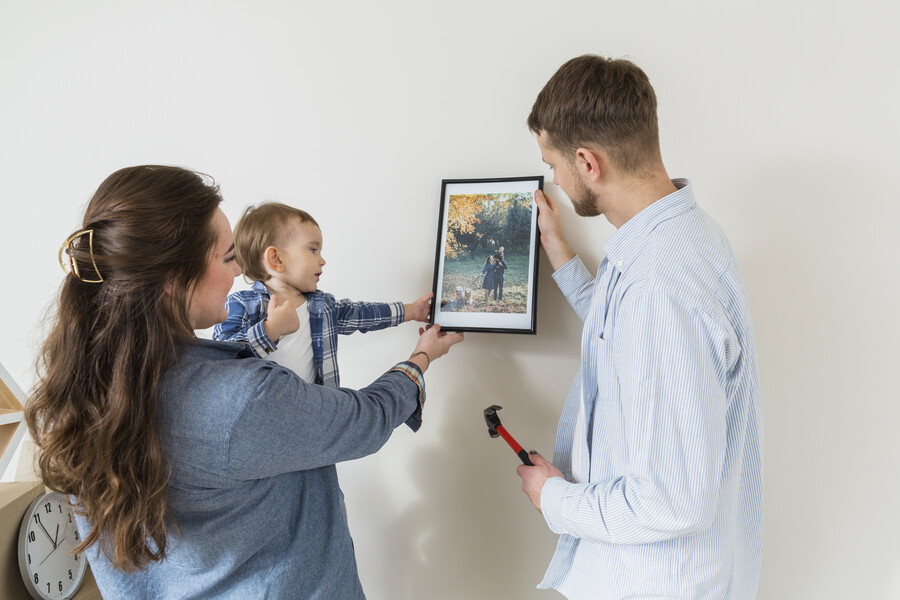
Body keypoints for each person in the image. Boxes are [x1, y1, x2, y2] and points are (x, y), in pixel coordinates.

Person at [25, 165, 463, 600]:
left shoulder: (82, 392)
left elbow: (354, 314)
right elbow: (365, 420)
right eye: (228, 257)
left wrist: (407, 310)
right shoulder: (241, 398)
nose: (239, 272)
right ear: (174, 281)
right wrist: (421, 358)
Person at [515, 55, 763, 599]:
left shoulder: (658, 286)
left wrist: (552, 499)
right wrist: (558, 251)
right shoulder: (680, 235)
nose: (553, 180)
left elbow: (672, 502)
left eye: (552, 164)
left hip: (651, 583)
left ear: (587, 162)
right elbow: (626, 337)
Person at [212, 202, 432, 387]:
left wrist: (412, 310)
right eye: (313, 250)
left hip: (315, 418)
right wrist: (270, 330)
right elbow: (222, 360)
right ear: (276, 260)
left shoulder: (322, 306)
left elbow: (364, 314)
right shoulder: (241, 304)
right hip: (264, 425)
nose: (322, 260)